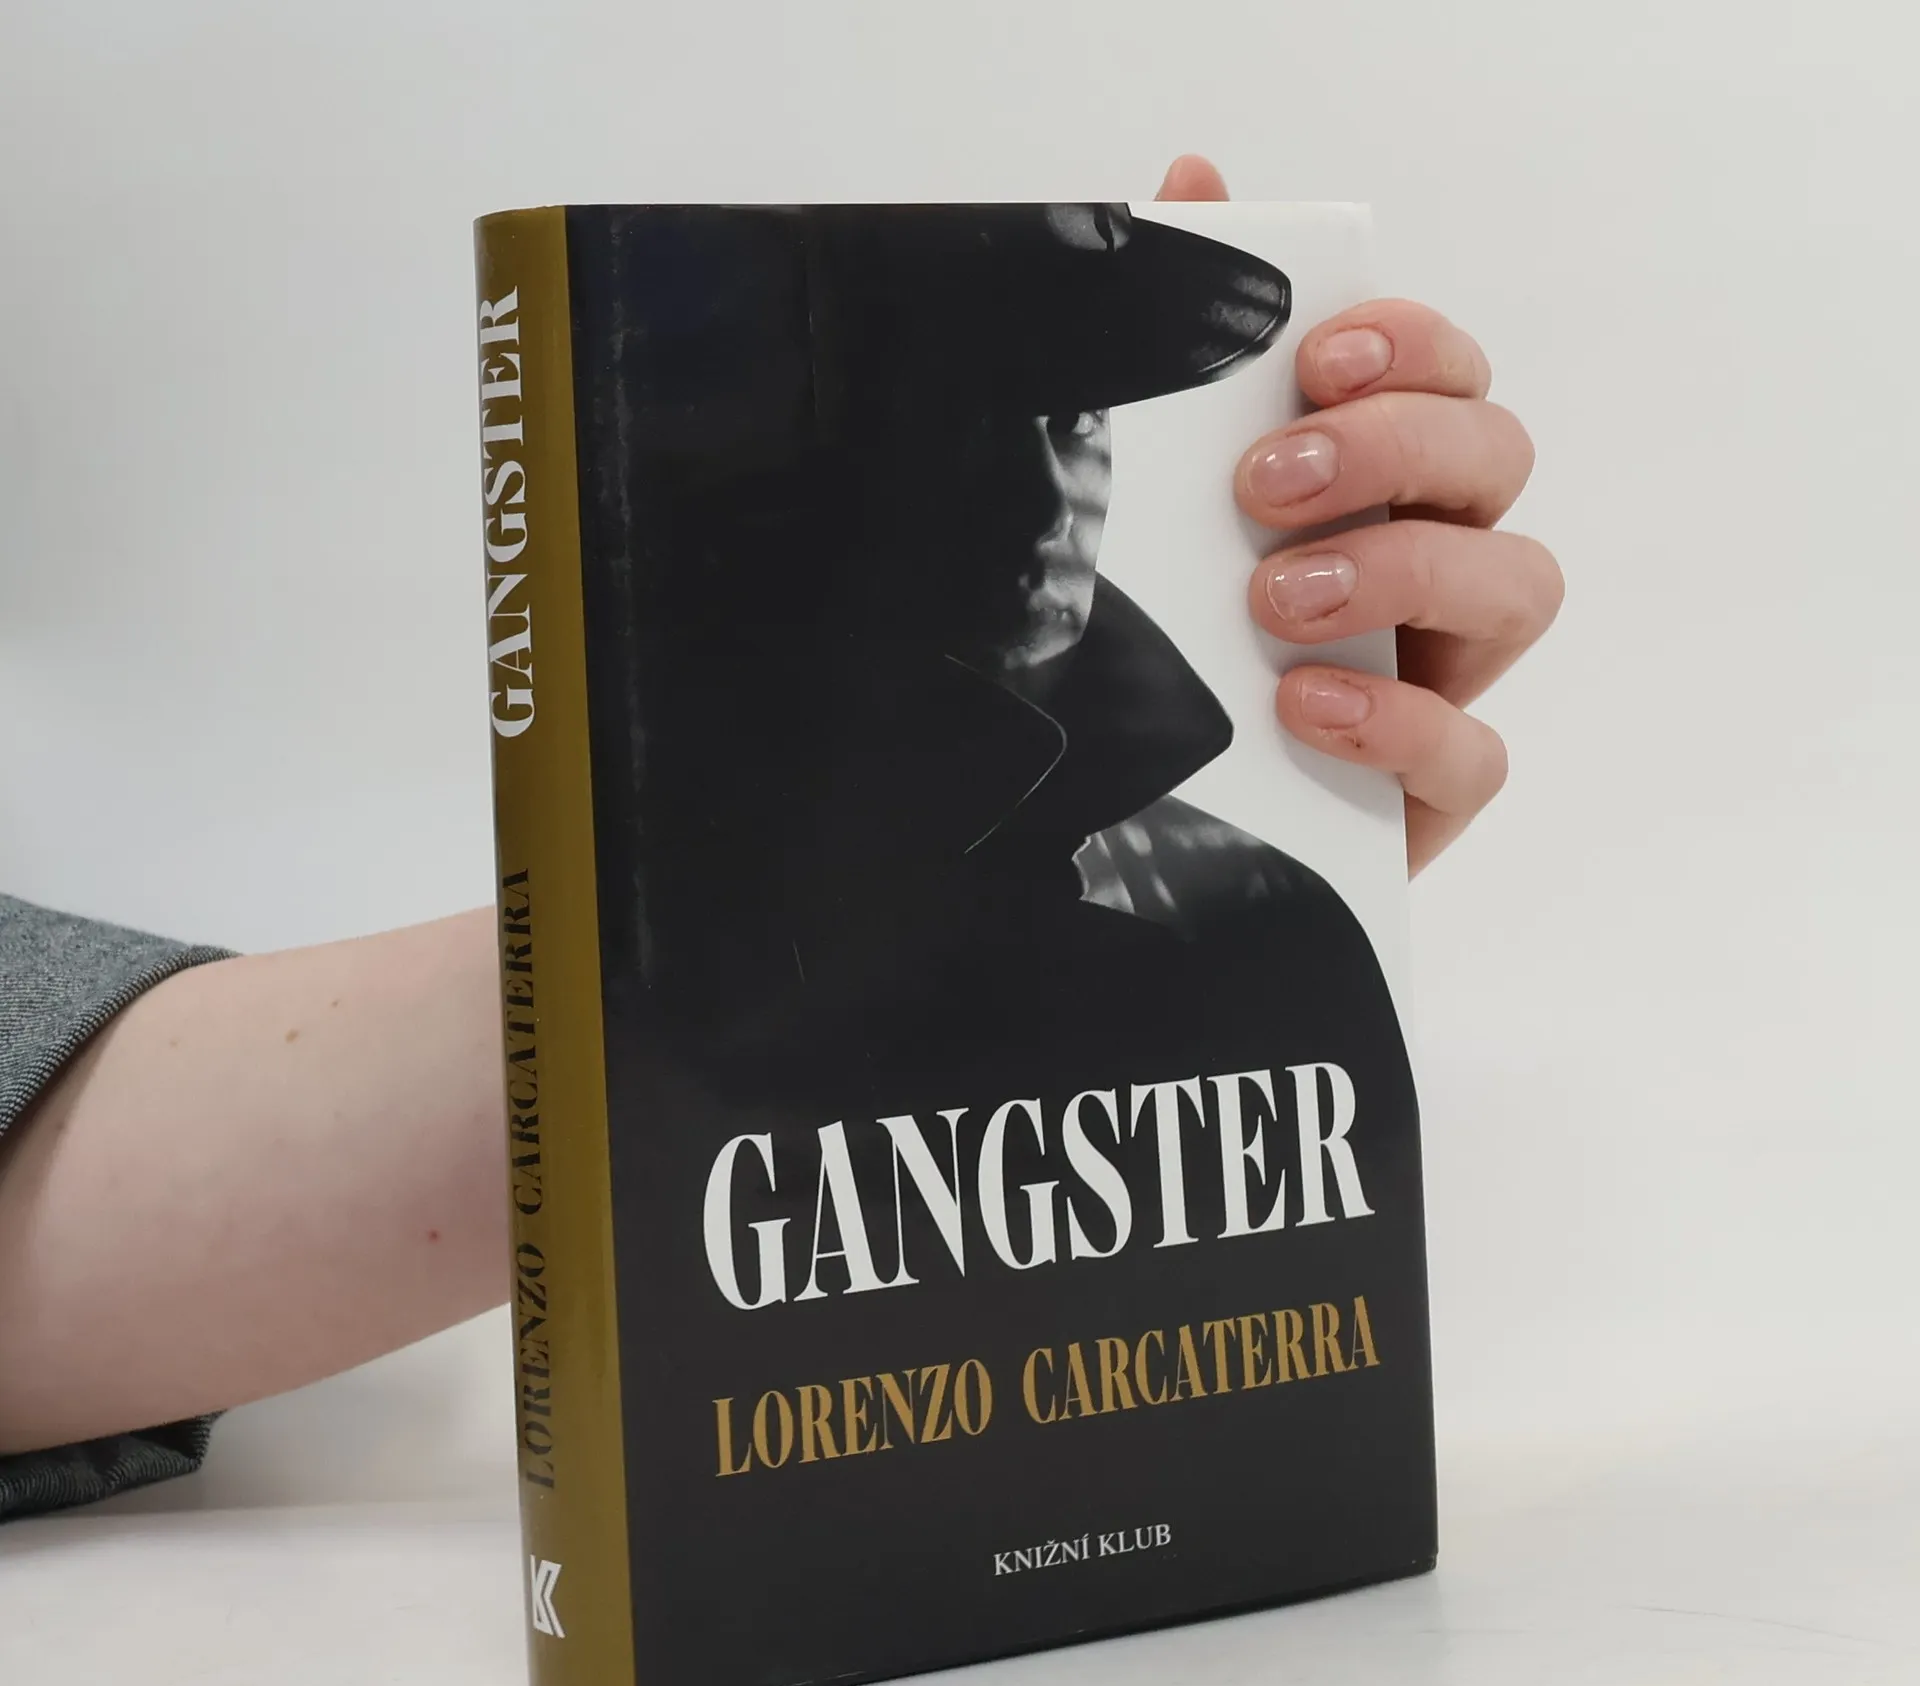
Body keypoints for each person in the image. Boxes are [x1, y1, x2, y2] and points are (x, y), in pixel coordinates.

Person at [0, 155, 1563, 1519]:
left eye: (1069, 398)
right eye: (941, 396)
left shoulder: (1246, 900)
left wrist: (1304, 824)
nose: (1041, 471)